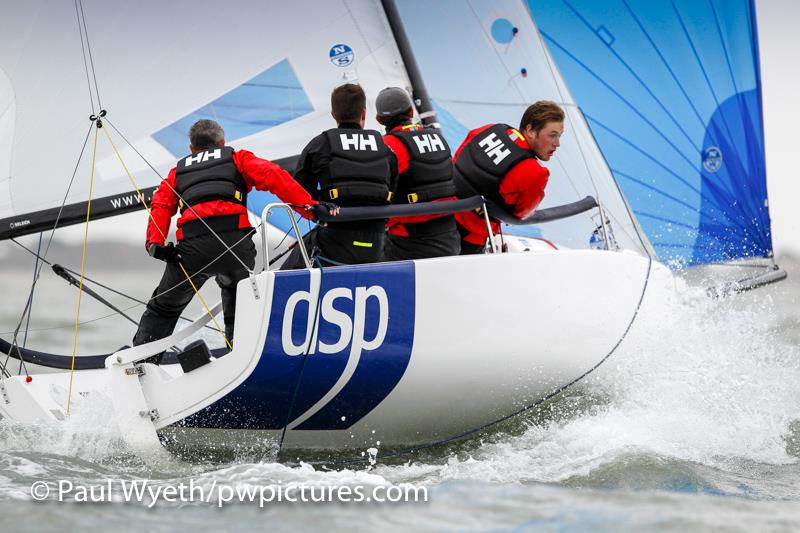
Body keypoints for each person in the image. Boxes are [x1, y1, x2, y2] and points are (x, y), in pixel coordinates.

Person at [133, 119, 319, 350]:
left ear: (191, 148)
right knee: (237, 293)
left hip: (192, 250)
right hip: (235, 246)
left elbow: (161, 204)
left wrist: (155, 244)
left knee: (164, 308)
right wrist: (311, 209)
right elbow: (274, 176)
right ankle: (239, 354)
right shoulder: (237, 158)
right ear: (222, 142)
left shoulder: (177, 171)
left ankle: (140, 365)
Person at [281, 83, 397, 269]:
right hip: (376, 244)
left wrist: (322, 205)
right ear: (364, 114)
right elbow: (393, 190)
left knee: (284, 274)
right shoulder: (385, 148)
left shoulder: (320, 144)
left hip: (334, 242)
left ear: (333, 115)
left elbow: (299, 193)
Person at [452, 101, 564, 254]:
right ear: (530, 130)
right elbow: (521, 214)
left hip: (438, 215)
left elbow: (457, 160)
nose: (557, 143)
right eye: (552, 136)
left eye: (559, 136)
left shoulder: (487, 129)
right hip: (468, 239)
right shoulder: (535, 173)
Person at [375, 87, 460, 260]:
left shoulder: (388, 145)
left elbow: (375, 191)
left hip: (409, 245)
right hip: (451, 239)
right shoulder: (437, 136)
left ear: (380, 120)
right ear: (411, 111)